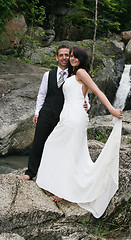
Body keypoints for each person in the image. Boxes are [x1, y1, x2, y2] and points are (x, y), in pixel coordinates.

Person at [36, 46, 123, 218]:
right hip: (69, 117)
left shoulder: (81, 72)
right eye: (71, 56)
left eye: (75, 57)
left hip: (74, 119)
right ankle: (57, 183)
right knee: (56, 147)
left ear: (81, 59)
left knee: (68, 152)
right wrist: (85, 104)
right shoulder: (73, 74)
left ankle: (63, 191)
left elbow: (97, 91)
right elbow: (79, 95)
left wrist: (111, 109)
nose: (72, 59)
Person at [21, 45, 90, 181]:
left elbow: (83, 95)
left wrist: (86, 105)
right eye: (61, 55)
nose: (64, 58)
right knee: (38, 143)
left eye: (67, 55)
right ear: (57, 57)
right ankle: (31, 172)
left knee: (57, 146)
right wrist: (37, 113)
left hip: (63, 117)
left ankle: (51, 176)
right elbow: (41, 95)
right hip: (46, 114)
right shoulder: (48, 75)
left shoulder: (74, 75)